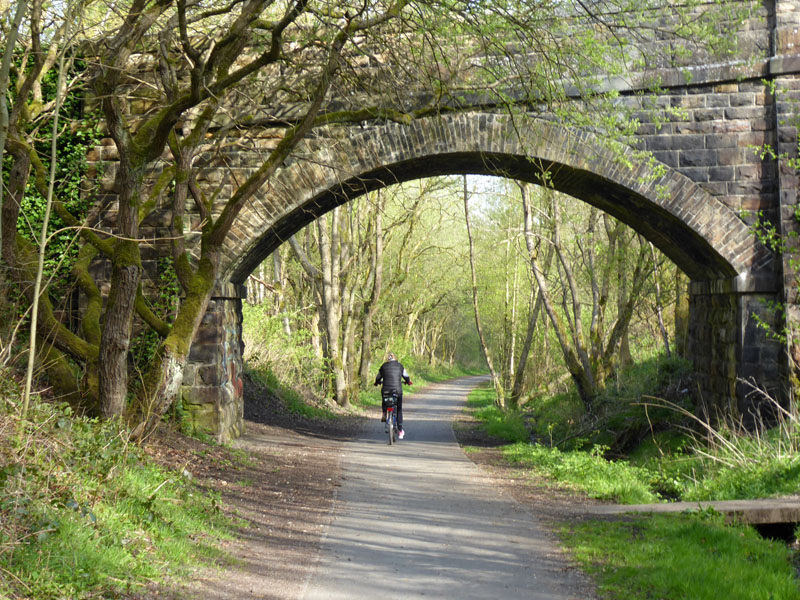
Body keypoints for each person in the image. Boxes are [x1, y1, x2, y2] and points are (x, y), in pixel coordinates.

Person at [374, 352, 412, 439]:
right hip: (397, 391)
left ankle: (384, 413)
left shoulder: (383, 366)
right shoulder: (400, 366)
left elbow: (378, 377)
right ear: (395, 358)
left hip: (386, 390)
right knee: (399, 409)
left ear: (388, 359)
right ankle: (400, 430)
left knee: (384, 399)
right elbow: (406, 376)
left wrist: (377, 383)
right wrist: (408, 381)